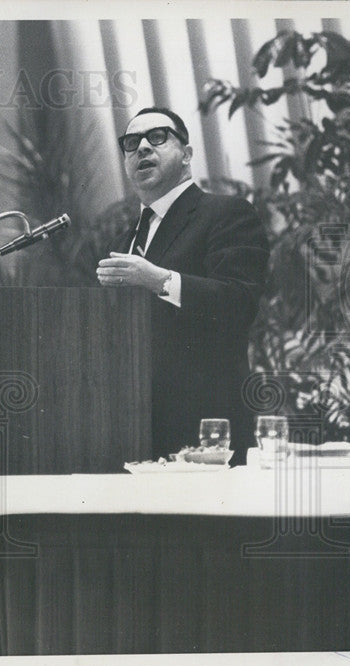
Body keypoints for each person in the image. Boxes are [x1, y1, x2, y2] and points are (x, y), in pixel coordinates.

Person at [96, 106, 269, 462]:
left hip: (205, 426)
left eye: (157, 137)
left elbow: (238, 302)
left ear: (187, 155)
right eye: (131, 143)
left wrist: (158, 280)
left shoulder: (226, 213)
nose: (142, 147)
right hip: (133, 426)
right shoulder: (125, 238)